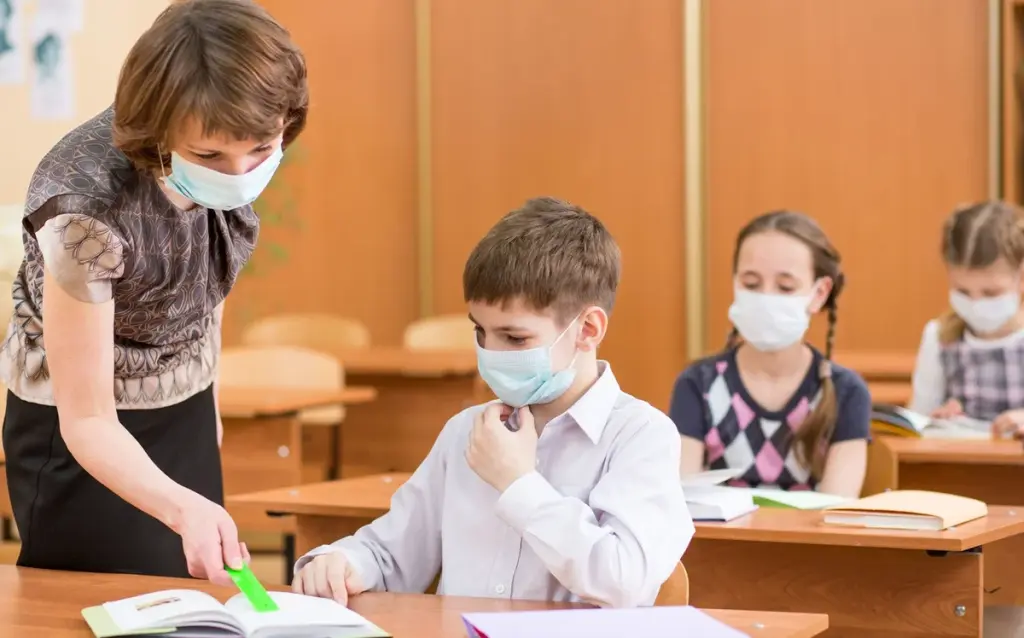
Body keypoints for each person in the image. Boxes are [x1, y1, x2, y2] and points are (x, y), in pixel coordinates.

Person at [0, 0, 307, 584]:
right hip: (81, 424)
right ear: (160, 129)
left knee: (196, 593)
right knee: (98, 604)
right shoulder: (83, 205)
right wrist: (180, 505)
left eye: (261, 149)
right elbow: (87, 418)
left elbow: (207, 281)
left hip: (183, 401)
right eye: (210, 156)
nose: (240, 174)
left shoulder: (233, 154)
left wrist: (207, 408)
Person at [292, 197, 692, 608]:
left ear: (587, 329)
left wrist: (518, 484)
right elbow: (391, 552)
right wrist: (343, 562)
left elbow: (624, 581)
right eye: (481, 333)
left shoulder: (641, 436)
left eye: (515, 338)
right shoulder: (466, 431)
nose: (491, 353)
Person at [670, 211, 870, 497]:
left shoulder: (846, 392)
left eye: (785, 287)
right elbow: (683, 498)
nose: (765, 298)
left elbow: (838, 507)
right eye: (751, 284)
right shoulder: (697, 385)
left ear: (819, 293)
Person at [908, 202, 1024, 437]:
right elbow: (917, 424)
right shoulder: (940, 337)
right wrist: (938, 420)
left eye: (991, 293)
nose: (976, 304)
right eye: (962, 291)